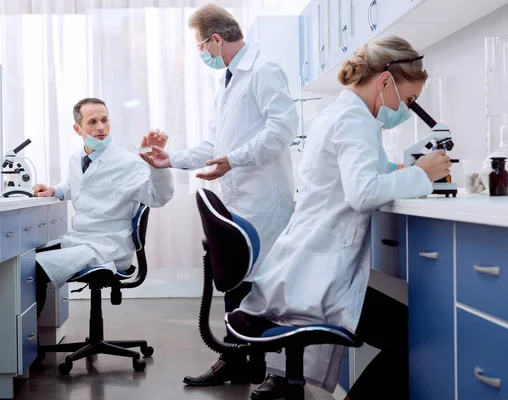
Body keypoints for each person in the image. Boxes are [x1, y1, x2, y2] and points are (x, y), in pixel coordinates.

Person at [229, 36, 452, 400]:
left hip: (305, 265)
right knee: (420, 335)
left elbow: (362, 172)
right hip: (319, 277)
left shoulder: (339, 112)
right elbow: (363, 192)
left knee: (409, 329)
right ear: (384, 81)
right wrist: (422, 175)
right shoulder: (355, 119)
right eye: (408, 100)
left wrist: (408, 168)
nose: (407, 110)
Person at [140, 3, 299, 387]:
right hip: (239, 197)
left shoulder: (263, 70)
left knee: (260, 285)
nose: (201, 54)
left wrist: (233, 159)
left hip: (264, 200)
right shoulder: (229, 80)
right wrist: (171, 159)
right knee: (238, 282)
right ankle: (238, 360)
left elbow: (283, 129)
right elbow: (217, 144)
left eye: (201, 46)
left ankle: (265, 368)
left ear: (216, 39)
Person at [32, 97, 174, 319]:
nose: (100, 127)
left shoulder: (128, 162)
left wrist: (158, 167)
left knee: (33, 270)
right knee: (24, 261)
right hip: (81, 240)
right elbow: (75, 184)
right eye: (92, 122)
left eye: (104, 120)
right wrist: (54, 190)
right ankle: (25, 341)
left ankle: (28, 348)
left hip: (108, 246)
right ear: (77, 128)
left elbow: (159, 197)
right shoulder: (76, 159)